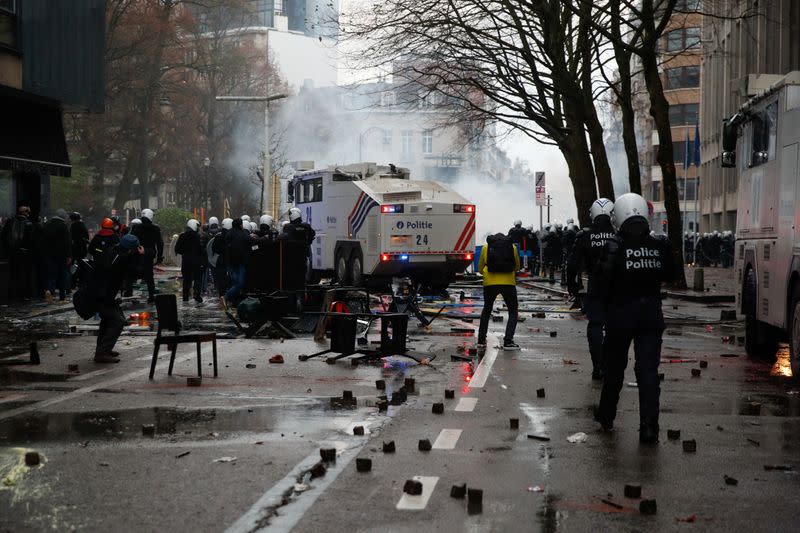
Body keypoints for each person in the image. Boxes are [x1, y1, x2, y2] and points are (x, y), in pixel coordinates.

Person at [593, 193, 676, 443]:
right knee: (648, 372)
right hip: (651, 317)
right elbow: (672, 273)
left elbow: (600, 285)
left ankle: (607, 416)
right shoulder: (659, 245)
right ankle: (649, 427)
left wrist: (600, 312)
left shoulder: (613, 247)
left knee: (615, 370)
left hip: (620, 317)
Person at [567, 198, 615, 380]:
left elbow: (572, 264)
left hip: (595, 286)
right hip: (617, 288)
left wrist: (573, 288)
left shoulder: (584, 235)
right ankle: (611, 365)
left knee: (595, 325)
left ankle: (598, 367)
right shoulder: (620, 234)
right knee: (615, 327)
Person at [89, 234, 145, 363]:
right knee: (117, 321)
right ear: (131, 249)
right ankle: (102, 352)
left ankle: (103, 349)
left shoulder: (112, 252)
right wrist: (141, 256)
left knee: (108, 320)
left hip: (99, 292)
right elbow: (138, 273)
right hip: (103, 295)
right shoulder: (123, 258)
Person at [477, 232, 521, 350]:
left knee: (487, 310)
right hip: (508, 283)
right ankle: (508, 341)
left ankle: (481, 340)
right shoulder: (512, 247)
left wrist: (488, 273)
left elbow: (480, 268)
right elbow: (517, 267)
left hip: (490, 283)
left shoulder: (486, 247)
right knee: (513, 311)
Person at [1, 205, 36, 299]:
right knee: (25, 274)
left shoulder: (10, 222)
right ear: (25, 213)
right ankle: (24, 294)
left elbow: (3, 237)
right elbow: (32, 241)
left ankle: (12, 294)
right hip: (25, 253)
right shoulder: (29, 224)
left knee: (14, 274)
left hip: (12, 253)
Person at [131, 208, 163, 304]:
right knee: (149, 276)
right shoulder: (155, 228)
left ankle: (129, 293)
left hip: (137, 253)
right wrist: (159, 257)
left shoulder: (136, 227)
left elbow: (131, 240)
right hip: (149, 254)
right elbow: (160, 243)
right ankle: (151, 295)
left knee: (133, 274)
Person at [41, 209, 72, 302]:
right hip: (61, 255)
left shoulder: (47, 225)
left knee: (51, 274)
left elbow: (43, 240)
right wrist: (69, 255)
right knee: (62, 275)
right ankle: (62, 297)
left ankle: (50, 291)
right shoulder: (63, 226)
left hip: (49, 254)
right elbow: (67, 242)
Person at [223, 218, 251, 309]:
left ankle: (233, 302)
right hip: (240, 263)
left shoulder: (228, 234)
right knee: (240, 284)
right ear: (240, 225)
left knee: (235, 283)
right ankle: (226, 297)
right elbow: (251, 243)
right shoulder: (243, 234)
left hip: (230, 263)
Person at [175, 219, 204, 303]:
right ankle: (196, 294)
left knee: (186, 280)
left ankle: (185, 297)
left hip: (186, 261)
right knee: (198, 278)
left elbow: (177, 249)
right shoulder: (198, 236)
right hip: (197, 261)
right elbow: (201, 249)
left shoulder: (182, 236)